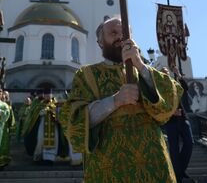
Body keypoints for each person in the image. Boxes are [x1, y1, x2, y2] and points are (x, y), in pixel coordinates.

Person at [59, 17, 183, 182]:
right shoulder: (86, 75)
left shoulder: (145, 70)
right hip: (108, 164)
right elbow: (75, 120)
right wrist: (115, 101)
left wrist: (140, 65)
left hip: (153, 162)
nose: (120, 37)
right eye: (113, 33)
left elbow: (167, 107)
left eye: (125, 33)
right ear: (100, 42)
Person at [160, 67, 195, 183]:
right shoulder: (159, 89)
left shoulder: (174, 84)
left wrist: (178, 74)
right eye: (163, 73)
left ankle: (180, 170)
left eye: (167, 72)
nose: (166, 74)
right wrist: (171, 111)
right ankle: (178, 176)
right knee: (174, 148)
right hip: (170, 121)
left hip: (183, 118)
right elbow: (159, 105)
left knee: (189, 143)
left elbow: (185, 88)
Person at [0, 91, 16, 169]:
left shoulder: (8, 107)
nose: (4, 97)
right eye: (3, 96)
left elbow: (11, 119)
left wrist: (12, 129)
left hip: (5, 129)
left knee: (4, 146)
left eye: (5, 96)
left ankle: (3, 163)